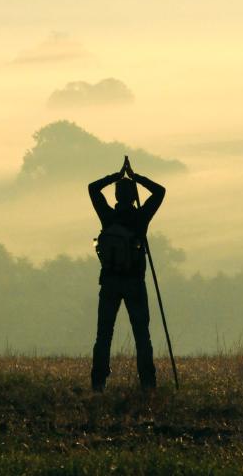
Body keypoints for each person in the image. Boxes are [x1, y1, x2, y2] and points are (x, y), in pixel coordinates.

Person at [88, 157, 166, 391]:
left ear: (115, 197)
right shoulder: (140, 218)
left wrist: (116, 175)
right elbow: (160, 191)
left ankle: (98, 383)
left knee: (104, 334)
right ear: (133, 197)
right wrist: (135, 177)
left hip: (110, 282)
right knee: (142, 335)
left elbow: (92, 188)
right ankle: (148, 384)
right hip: (135, 283)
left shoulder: (107, 216)